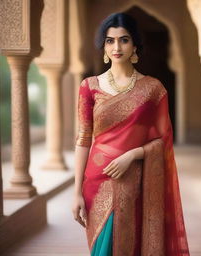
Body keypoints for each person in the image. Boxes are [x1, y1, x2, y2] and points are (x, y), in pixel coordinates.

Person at [72, 12, 190, 256]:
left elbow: (163, 140)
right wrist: (76, 193)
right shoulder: (89, 87)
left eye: (124, 40)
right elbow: (83, 139)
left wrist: (133, 154)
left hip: (135, 179)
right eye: (110, 40)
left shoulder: (153, 89)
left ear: (135, 45)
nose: (117, 46)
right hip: (96, 180)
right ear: (104, 46)